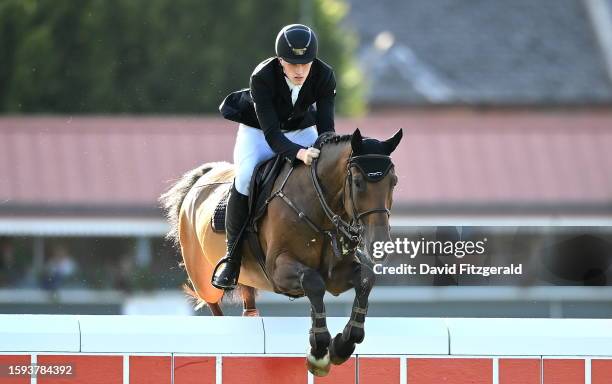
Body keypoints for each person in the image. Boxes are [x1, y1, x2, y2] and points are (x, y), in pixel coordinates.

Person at [212, 24, 337, 290]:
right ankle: (232, 259)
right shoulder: (262, 77)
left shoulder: (325, 76)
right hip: (258, 132)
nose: (300, 71)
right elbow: (271, 135)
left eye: (306, 63)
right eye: (293, 64)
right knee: (245, 178)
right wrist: (299, 153)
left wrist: (325, 151)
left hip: (301, 129)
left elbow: (327, 131)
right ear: (281, 61)